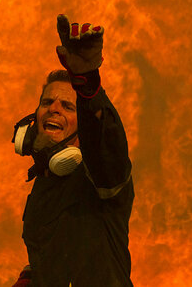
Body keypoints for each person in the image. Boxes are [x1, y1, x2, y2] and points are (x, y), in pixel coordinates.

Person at [11, 15, 134, 287]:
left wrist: (87, 84)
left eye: (68, 106)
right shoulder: (44, 187)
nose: (54, 108)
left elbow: (105, 143)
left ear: (84, 130)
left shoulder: (102, 179)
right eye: (47, 102)